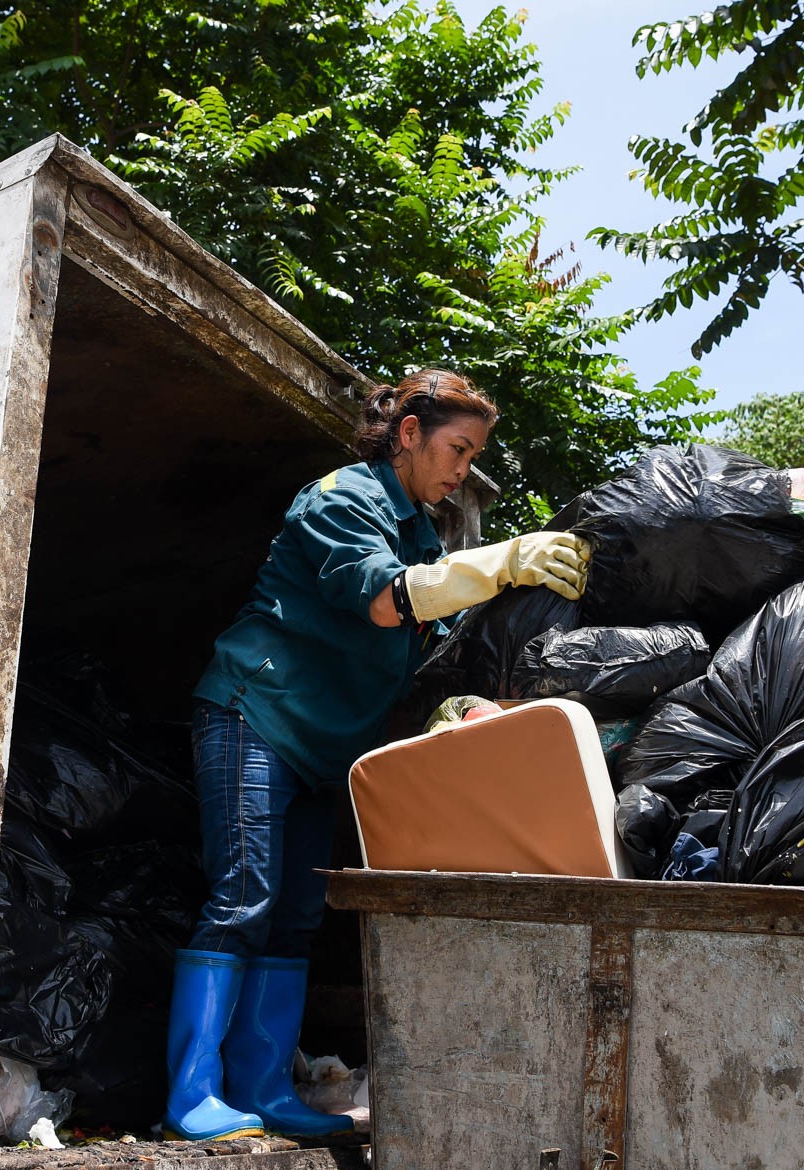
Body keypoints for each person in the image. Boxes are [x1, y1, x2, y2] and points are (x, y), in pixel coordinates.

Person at [164, 369, 588, 1140]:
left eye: (472, 455)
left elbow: (416, 639)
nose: (463, 470)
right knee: (242, 899)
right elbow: (385, 598)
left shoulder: (423, 530)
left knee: (294, 919)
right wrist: (501, 561)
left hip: (325, 747)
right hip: (253, 714)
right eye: (457, 449)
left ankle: (266, 1094)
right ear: (407, 434)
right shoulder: (341, 499)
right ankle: (192, 1096)